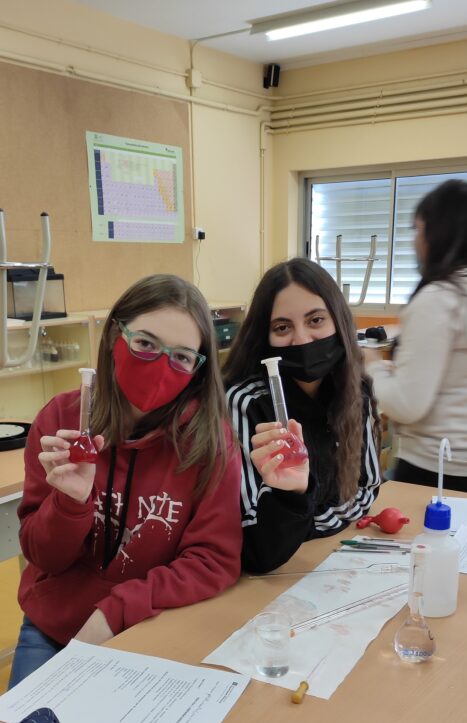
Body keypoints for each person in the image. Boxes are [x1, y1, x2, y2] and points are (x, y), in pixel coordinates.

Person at [10, 274, 242, 688]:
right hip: (53, 628)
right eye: (146, 344)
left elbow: (213, 560)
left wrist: (115, 611)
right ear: (115, 336)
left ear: (198, 369)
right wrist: (69, 504)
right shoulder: (61, 422)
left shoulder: (209, 442)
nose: (161, 366)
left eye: (182, 356)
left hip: (147, 626)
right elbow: (43, 557)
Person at [223, 258, 381, 574]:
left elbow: (368, 488)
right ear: (265, 336)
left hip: (334, 559)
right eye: (282, 327)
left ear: (338, 320)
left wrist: (311, 523)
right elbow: (249, 530)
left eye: (316, 320)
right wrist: (313, 513)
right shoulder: (246, 402)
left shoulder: (355, 391)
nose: (302, 340)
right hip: (276, 572)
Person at [365, 178, 467, 490]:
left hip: (437, 469)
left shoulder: (439, 299)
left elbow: (406, 405)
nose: (415, 241)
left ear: (439, 234)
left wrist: (372, 365)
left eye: (418, 229)